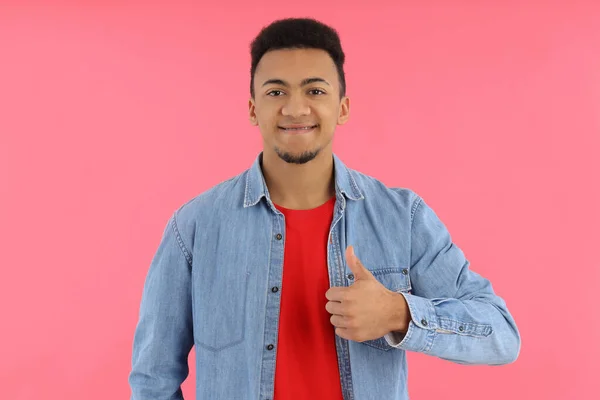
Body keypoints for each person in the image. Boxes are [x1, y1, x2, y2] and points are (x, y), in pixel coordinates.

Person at [128, 17, 521, 400]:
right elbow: (153, 378)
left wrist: (398, 313)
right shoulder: (196, 227)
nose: (295, 109)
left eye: (314, 91)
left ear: (343, 107)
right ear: (252, 109)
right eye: (276, 92)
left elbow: (501, 335)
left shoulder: (402, 217)